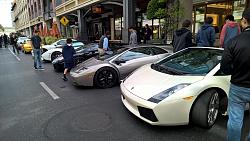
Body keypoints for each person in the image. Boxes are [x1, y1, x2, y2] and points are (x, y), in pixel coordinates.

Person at [220, 8, 250, 141]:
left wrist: (236, 70)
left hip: (238, 86)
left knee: (235, 120)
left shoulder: (233, 42)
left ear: (244, 21)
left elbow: (225, 68)